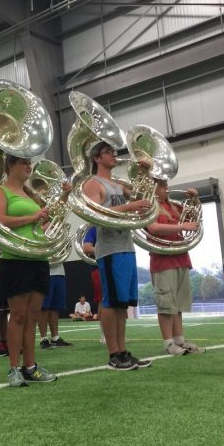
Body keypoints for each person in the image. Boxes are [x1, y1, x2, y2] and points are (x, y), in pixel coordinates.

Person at [83, 141, 152, 371]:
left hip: (126, 247)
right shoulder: (93, 184)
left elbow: (144, 198)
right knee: (111, 303)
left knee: (122, 305)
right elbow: (94, 213)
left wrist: (145, 171)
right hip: (110, 250)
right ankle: (113, 354)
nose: (114, 155)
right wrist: (129, 207)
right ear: (96, 158)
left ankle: (122, 351)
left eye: (114, 152)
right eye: (108, 152)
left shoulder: (119, 185)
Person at [0, 154, 58, 387]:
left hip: (38, 257)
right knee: (18, 315)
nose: (29, 166)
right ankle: (13, 369)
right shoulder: (0, 191)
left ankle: (30, 366)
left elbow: (38, 223)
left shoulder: (31, 194)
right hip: (15, 257)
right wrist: (33, 216)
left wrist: (48, 218)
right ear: (10, 166)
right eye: (23, 163)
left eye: (29, 163)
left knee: (33, 316)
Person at [147, 180, 205, 355]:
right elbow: (153, 228)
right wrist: (181, 226)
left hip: (181, 258)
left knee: (178, 305)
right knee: (166, 305)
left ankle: (179, 340)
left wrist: (195, 201)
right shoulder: (148, 206)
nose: (167, 189)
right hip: (163, 260)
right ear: (153, 188)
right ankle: (169, 343)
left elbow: (194, 219)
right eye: (163, 186)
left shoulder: (173, 205)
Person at [38, 263, 72, 349]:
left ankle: (55, 337)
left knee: (56, 307)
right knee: (44, 307)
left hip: (60, 273)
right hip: (45, 271)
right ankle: (43, 338)